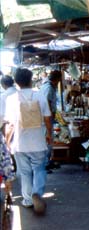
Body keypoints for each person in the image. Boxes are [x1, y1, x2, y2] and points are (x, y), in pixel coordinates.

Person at [4, 68, 52, 214]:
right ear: (31, 80)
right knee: (39, 169)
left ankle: (28, 199)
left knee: (24, 172)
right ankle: (37, 192)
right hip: (38, 142)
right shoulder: (40, 96)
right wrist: (49, 133)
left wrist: (7, 142)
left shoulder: (11, 99)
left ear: (16, 82)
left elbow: (10, 125)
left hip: (20, 143)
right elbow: (47, 118)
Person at [40, 70, 62, 172]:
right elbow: (47, 102)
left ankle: (47, 162)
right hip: (46, 118)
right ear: (57, 79)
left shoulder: (47, 86)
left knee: (48, 140)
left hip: (46, 117)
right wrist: (49, 115)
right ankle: (45, 164)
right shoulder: (49, 88)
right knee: (47, 140)